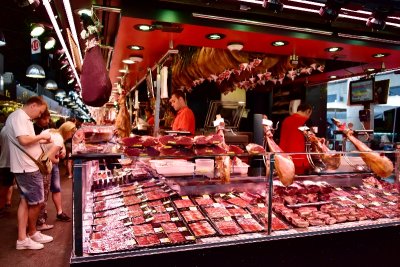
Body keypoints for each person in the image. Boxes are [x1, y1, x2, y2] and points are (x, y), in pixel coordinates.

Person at [6, 96, 53, 250]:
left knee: (26, 202)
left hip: (26, 166)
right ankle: (31, 233)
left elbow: (27, 140)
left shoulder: (21, 118)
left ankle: (23, 238)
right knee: (36, 202)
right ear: (33, 105)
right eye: (39, 112)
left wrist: (40, 141)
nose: (39, 115)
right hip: (27, 168)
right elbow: (24, 141)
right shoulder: (19, 116)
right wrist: (42, 136)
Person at [37, 121, 76, 230]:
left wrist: (62, 150)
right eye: (71, 133)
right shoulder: (58, 138)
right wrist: (58, 158)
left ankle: (59, 212)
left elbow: (59, 146)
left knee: (55, 189)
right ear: (67, 131)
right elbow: (49, 157)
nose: (71, 136)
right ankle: (40, 221)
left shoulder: (52, 132)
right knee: (43, 193)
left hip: (49, 164)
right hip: (46, 165)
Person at [279, 103, 313, 175]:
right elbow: (311, 138)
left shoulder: (286, 120)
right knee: (299, 183)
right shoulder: (306, 121)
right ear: (308, 111)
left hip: (285, 157)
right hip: (300, 159)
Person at [0, 125, 14, 217]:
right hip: (10, 163)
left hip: (4, 162)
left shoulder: (3, 130)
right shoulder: (13, 130)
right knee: (4, 188)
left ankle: (3, 206)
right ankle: (1, 209)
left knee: (5, 187)